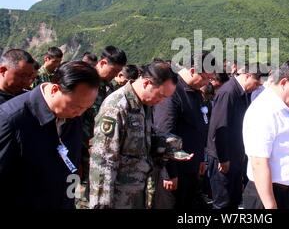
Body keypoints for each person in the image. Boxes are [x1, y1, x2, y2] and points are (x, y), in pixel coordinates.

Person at [89, 61, 193, 209]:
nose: (161, 101)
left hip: (140, 191)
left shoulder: (145, 105)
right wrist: (101, 205)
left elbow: (143, 141)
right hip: (119, 198)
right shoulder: (117, 106)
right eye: (161, 95)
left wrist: (169, 148)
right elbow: (104, 161)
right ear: (146, 83)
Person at [0, 61, 100, 209]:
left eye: (85, 108)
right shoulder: (11, 119)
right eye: (75, 106)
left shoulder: (73, 117)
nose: (79, 113)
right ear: (55, 89)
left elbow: (71, 167)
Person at [242, 59, 289, 209]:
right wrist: (270, 205)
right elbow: (259, 162)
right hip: (270, 196)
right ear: (284, 83)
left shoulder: (287, 111)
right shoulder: (264, 110)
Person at [152, 51, 215, 209]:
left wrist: (200, 158)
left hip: (191, 169)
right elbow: (164, 133)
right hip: (174, 172)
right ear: (193, 70)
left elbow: (198, 128)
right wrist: (169, 173)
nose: (207, 83)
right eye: (205, 77)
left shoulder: (195, 93)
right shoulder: (173, 92)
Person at [206, 63, 265, 210]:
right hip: (224, 159)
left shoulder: (243, 93)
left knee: (234, 200)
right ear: (248, 75)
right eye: (257, 83)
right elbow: (219, 128)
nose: (257, 87)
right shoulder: (228, 92)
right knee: (222, 203)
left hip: (236, 157)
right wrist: (223, 158)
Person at [77, 46, 127, 209]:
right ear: (103, 63)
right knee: (81, 192)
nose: (115, 75)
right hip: (82, 148)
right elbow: (75, 117)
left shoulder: (109, 87)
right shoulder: (84, 82)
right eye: (113, 71)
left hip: (101, 148)